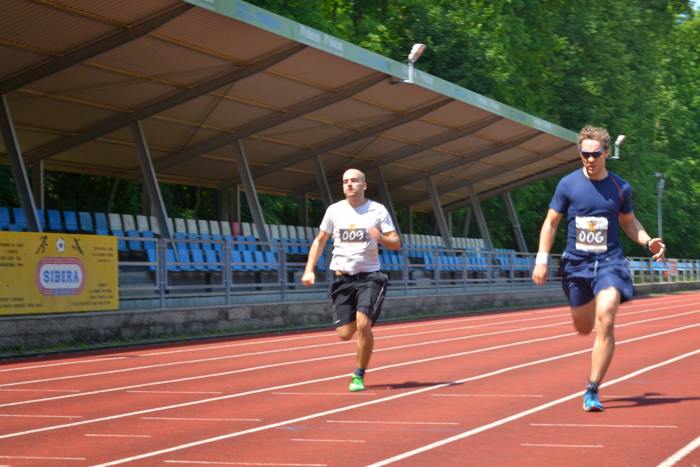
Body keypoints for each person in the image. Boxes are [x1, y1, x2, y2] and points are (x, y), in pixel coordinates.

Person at [532, 125, 666, 412]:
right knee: (583, 327)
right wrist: (541, 259)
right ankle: (590, 300)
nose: (590, 159)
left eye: (595, 154)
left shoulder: (620, 187)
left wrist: (647, 241)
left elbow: (628, 222)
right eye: (585, 154)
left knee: (606, 317)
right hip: (576, 263)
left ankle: (592, 388)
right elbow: (551, 223)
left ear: (606, 152)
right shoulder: (567, 184)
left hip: (609, 261)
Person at [302, 168, 400, 392]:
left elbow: (395, 242)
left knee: (363, 324)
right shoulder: (334, 210)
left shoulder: (377, 210)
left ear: (364, 185)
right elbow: (320, 240)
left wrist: (381, 237)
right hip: (342, 279)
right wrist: (309, 269)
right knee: (345, 334)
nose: (349, 184)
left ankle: (358, 375)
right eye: (345, 181)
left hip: (370, 277)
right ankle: (362, 316)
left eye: (354, 180)